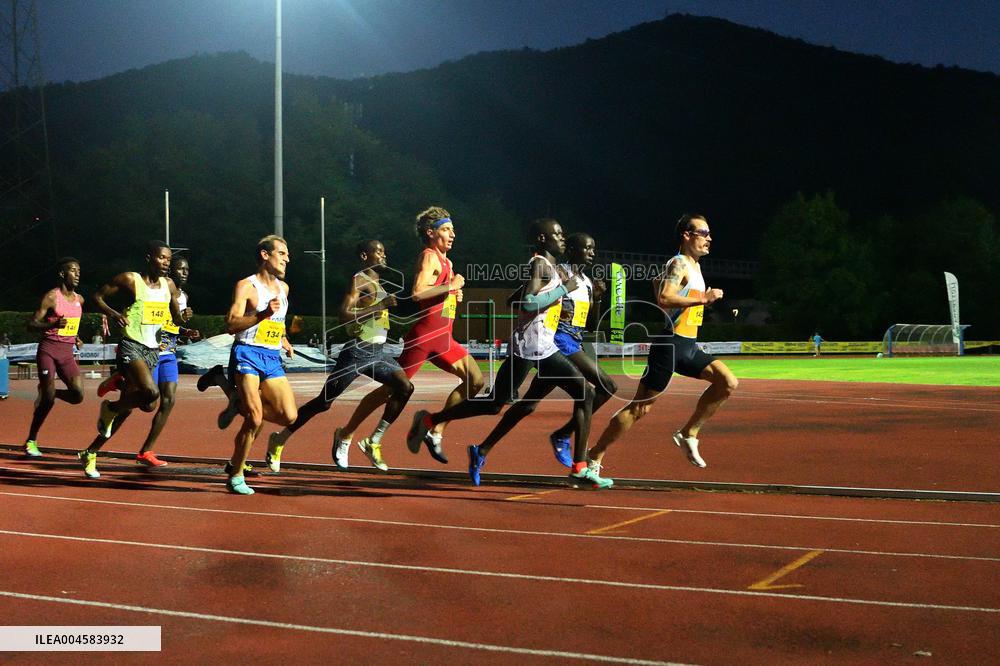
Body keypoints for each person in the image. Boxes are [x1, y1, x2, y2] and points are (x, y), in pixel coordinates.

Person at [408, 218, 610, 489]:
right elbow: (528, 301)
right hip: (528, 346)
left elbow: (517, 299)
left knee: (582, 393)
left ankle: (579, 468)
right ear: (541, 239)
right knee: (494, 404)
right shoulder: (540, 263)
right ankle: (431, 419)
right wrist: (561, 292)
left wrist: (556, 303)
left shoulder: (550, 267)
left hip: (545, 346)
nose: (562, 238)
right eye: (558, 234)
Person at [331, 206, 483, 465]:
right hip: (424, 337)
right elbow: (417, 293)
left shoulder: (447, 262)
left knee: (476, 381)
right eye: (446, 229)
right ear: (430, 233)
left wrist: (452, 294)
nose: (452, 234)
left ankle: (434, 430)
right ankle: (346, 434)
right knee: (389, 391)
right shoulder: (429, 257)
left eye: (453, 229)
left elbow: (438, 295)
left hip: (444, 338)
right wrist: (451, 286)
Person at [588, 214, 738, 473]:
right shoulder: (678, 263)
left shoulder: (694, 266)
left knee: (727, 382)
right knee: (640, 408)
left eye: (709, 233)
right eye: (703, 233)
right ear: (687, 235)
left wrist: (691, 296)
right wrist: (703, 298)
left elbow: (657, 284)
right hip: (670, 345)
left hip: (688, 346)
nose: (709, 238)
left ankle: (688, 433)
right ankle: (594, 456)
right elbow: (665, 297)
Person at [267, 240, 413, 472]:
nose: (384, 256)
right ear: (365, 257)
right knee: (323, 403)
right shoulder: (359, 280)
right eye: (378, 252)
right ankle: (279, 439)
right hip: (357, 352)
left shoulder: (377, 281)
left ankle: (373, 441)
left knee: (405, 387)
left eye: (385, 251)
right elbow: (343, 315)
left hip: (378, 352)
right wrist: (379, 306)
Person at [77, 241, 188, 479]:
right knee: (151, 393)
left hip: (152, 350)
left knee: (143, 406)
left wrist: (184, 318)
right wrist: (114, 314)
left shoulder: (168, 285)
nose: (166, 263)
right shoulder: (130, 280)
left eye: (169, 259)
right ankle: (112, 405)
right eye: (161, 258)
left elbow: (176, 319)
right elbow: (97, 296)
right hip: (131, 346)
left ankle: (91, 450)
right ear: (149, 258)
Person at [221, 235, 298, 495]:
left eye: (288, 254)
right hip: (247, 353)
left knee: (289, 416)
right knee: (254, 418)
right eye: (282, 253)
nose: (287, 258)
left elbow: (278, 322)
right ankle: (236, 474)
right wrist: (262, 314)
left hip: (271, 357)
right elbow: (231, 324)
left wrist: (284, 339)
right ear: (265, 255)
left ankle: (238, 402)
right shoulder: (247, 286)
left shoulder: (284, 289)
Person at [545, 233, 618, 467]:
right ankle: (569, 446)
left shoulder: (586, 281)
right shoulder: (560, 274)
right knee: (606, 386)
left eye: (593, 248)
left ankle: (483, 448)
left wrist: (597, 299)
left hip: (574, 341)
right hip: (558, 340)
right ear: (572, 250)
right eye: (587, 248)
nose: (592, 253)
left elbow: (591, 327)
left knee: (525, 405)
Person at [132, 255, 201, 466]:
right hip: (151, 351)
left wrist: (185, 331)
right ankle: (123, 381)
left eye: (187, 269)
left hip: (169, 353)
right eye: (181, 269)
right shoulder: (160, 291)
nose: (185, 273)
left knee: (169, 400)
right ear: (171, 272)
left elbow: (173, 325)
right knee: (148, 405)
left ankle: (146, 451)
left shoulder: (184, 296)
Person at [23, 257, 86, 457]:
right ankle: (31, 440)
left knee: (77, 395)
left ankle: (47, 391)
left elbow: (71, 324)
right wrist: (51, 325)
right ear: (62, 274)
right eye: (73, 271)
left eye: (78, 271)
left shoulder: (80, 300)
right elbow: (31, 324)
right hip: (48, 349)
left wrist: (76, 337)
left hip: (67, 352)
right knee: (48, 401)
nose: (77, 274)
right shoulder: (51, 297)